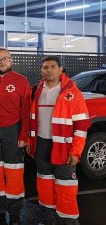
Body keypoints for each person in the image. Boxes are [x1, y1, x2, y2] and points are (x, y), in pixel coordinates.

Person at [28, 56, 91, 225]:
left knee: (66, 185)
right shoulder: (37, 90)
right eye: (45, 67)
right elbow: (32, 120)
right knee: (44, 181)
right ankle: (49, 218)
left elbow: (82, 125)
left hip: (64, 146)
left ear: (60, 69)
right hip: (41, 144)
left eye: (53, 67)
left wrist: (76, 151)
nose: (49, 70)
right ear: (41, 71)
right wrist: (31, 142)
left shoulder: (72, 92)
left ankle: (69, 221)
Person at [0, 47, 30, 225]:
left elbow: (26, 111)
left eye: (5, 59)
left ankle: (15, 212)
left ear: (11, 60)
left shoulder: (21, 81)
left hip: (13, 130)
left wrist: (24, 134)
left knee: (14, 171)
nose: (1, 62)